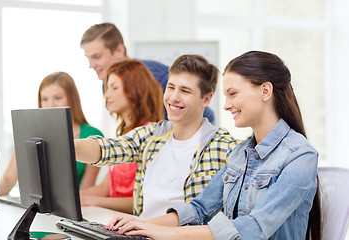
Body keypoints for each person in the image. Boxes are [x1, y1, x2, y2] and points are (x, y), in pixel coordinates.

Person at [107, 51, 322, 240]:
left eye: (233, 94)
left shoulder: (300, 156)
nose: (227, 105)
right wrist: (142, 225)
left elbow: (255, 227)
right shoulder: (241, 153)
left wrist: (164, 234)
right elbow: (199, 209)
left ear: (265, 91)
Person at [74, 54, 239, 218]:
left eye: (185, 91)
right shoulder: (151, 136)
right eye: (171, 87)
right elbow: (107, 149)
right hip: (139, 232)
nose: (174, 97)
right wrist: (65, 146)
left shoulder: (224, 147)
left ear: (206, 99)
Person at [80, 22, 216, 124]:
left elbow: (206, 115)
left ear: (119, 50)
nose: (91, 65)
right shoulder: (106, 84)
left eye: (97, 57)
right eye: (88, 58)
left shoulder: (155, 77)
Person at [80, 59, 164, 214]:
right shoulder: (123, 135)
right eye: (107, 88)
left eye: (114, 87)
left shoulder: (151, 136)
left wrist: (93, 201)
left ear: (135, 89)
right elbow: (106, 188)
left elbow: (145, 201)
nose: (107, 94)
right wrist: (74, 198)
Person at [0, 72, 104, 196]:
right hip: (35, 209)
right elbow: (8, 179)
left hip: (76, 210)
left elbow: (85, 191)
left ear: (72, 99)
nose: (50, 105)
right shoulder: (30, 134)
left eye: (58, 98)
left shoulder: (92, 135)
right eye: (45, 99)